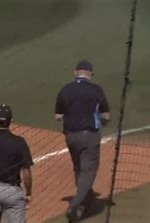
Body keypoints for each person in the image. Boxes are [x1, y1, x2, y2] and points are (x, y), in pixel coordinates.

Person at [54, 60, 110, 223]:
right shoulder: (96, 90)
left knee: (78, 168)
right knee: (88, 171)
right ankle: (75, 205)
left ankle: (87, 200)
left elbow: (58, 117)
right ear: (90, 74)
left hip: (70, 137)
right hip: (89, 136)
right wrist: (102, 123)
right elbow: (106, 116)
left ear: (75, 73)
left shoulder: (65, 90)